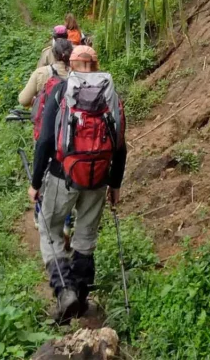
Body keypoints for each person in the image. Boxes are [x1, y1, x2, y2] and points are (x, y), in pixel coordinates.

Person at [29, 45, 127, 324]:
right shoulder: (111, 94)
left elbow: (46, 140)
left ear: (71, 65)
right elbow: (120, 145)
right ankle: (82, 298)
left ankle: (65, 293)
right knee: (85, 236)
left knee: (51, 233)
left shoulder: (61, 91)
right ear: (96, 65)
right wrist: (115, 184)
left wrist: (36, 183)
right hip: (98, 179)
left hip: (63, 176)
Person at [19, 39, 73, 108]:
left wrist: (36, 101)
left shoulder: (40, 73)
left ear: (53, 54)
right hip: (70, 116)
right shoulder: (78, 73)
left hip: (45, 115)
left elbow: (23, 100)